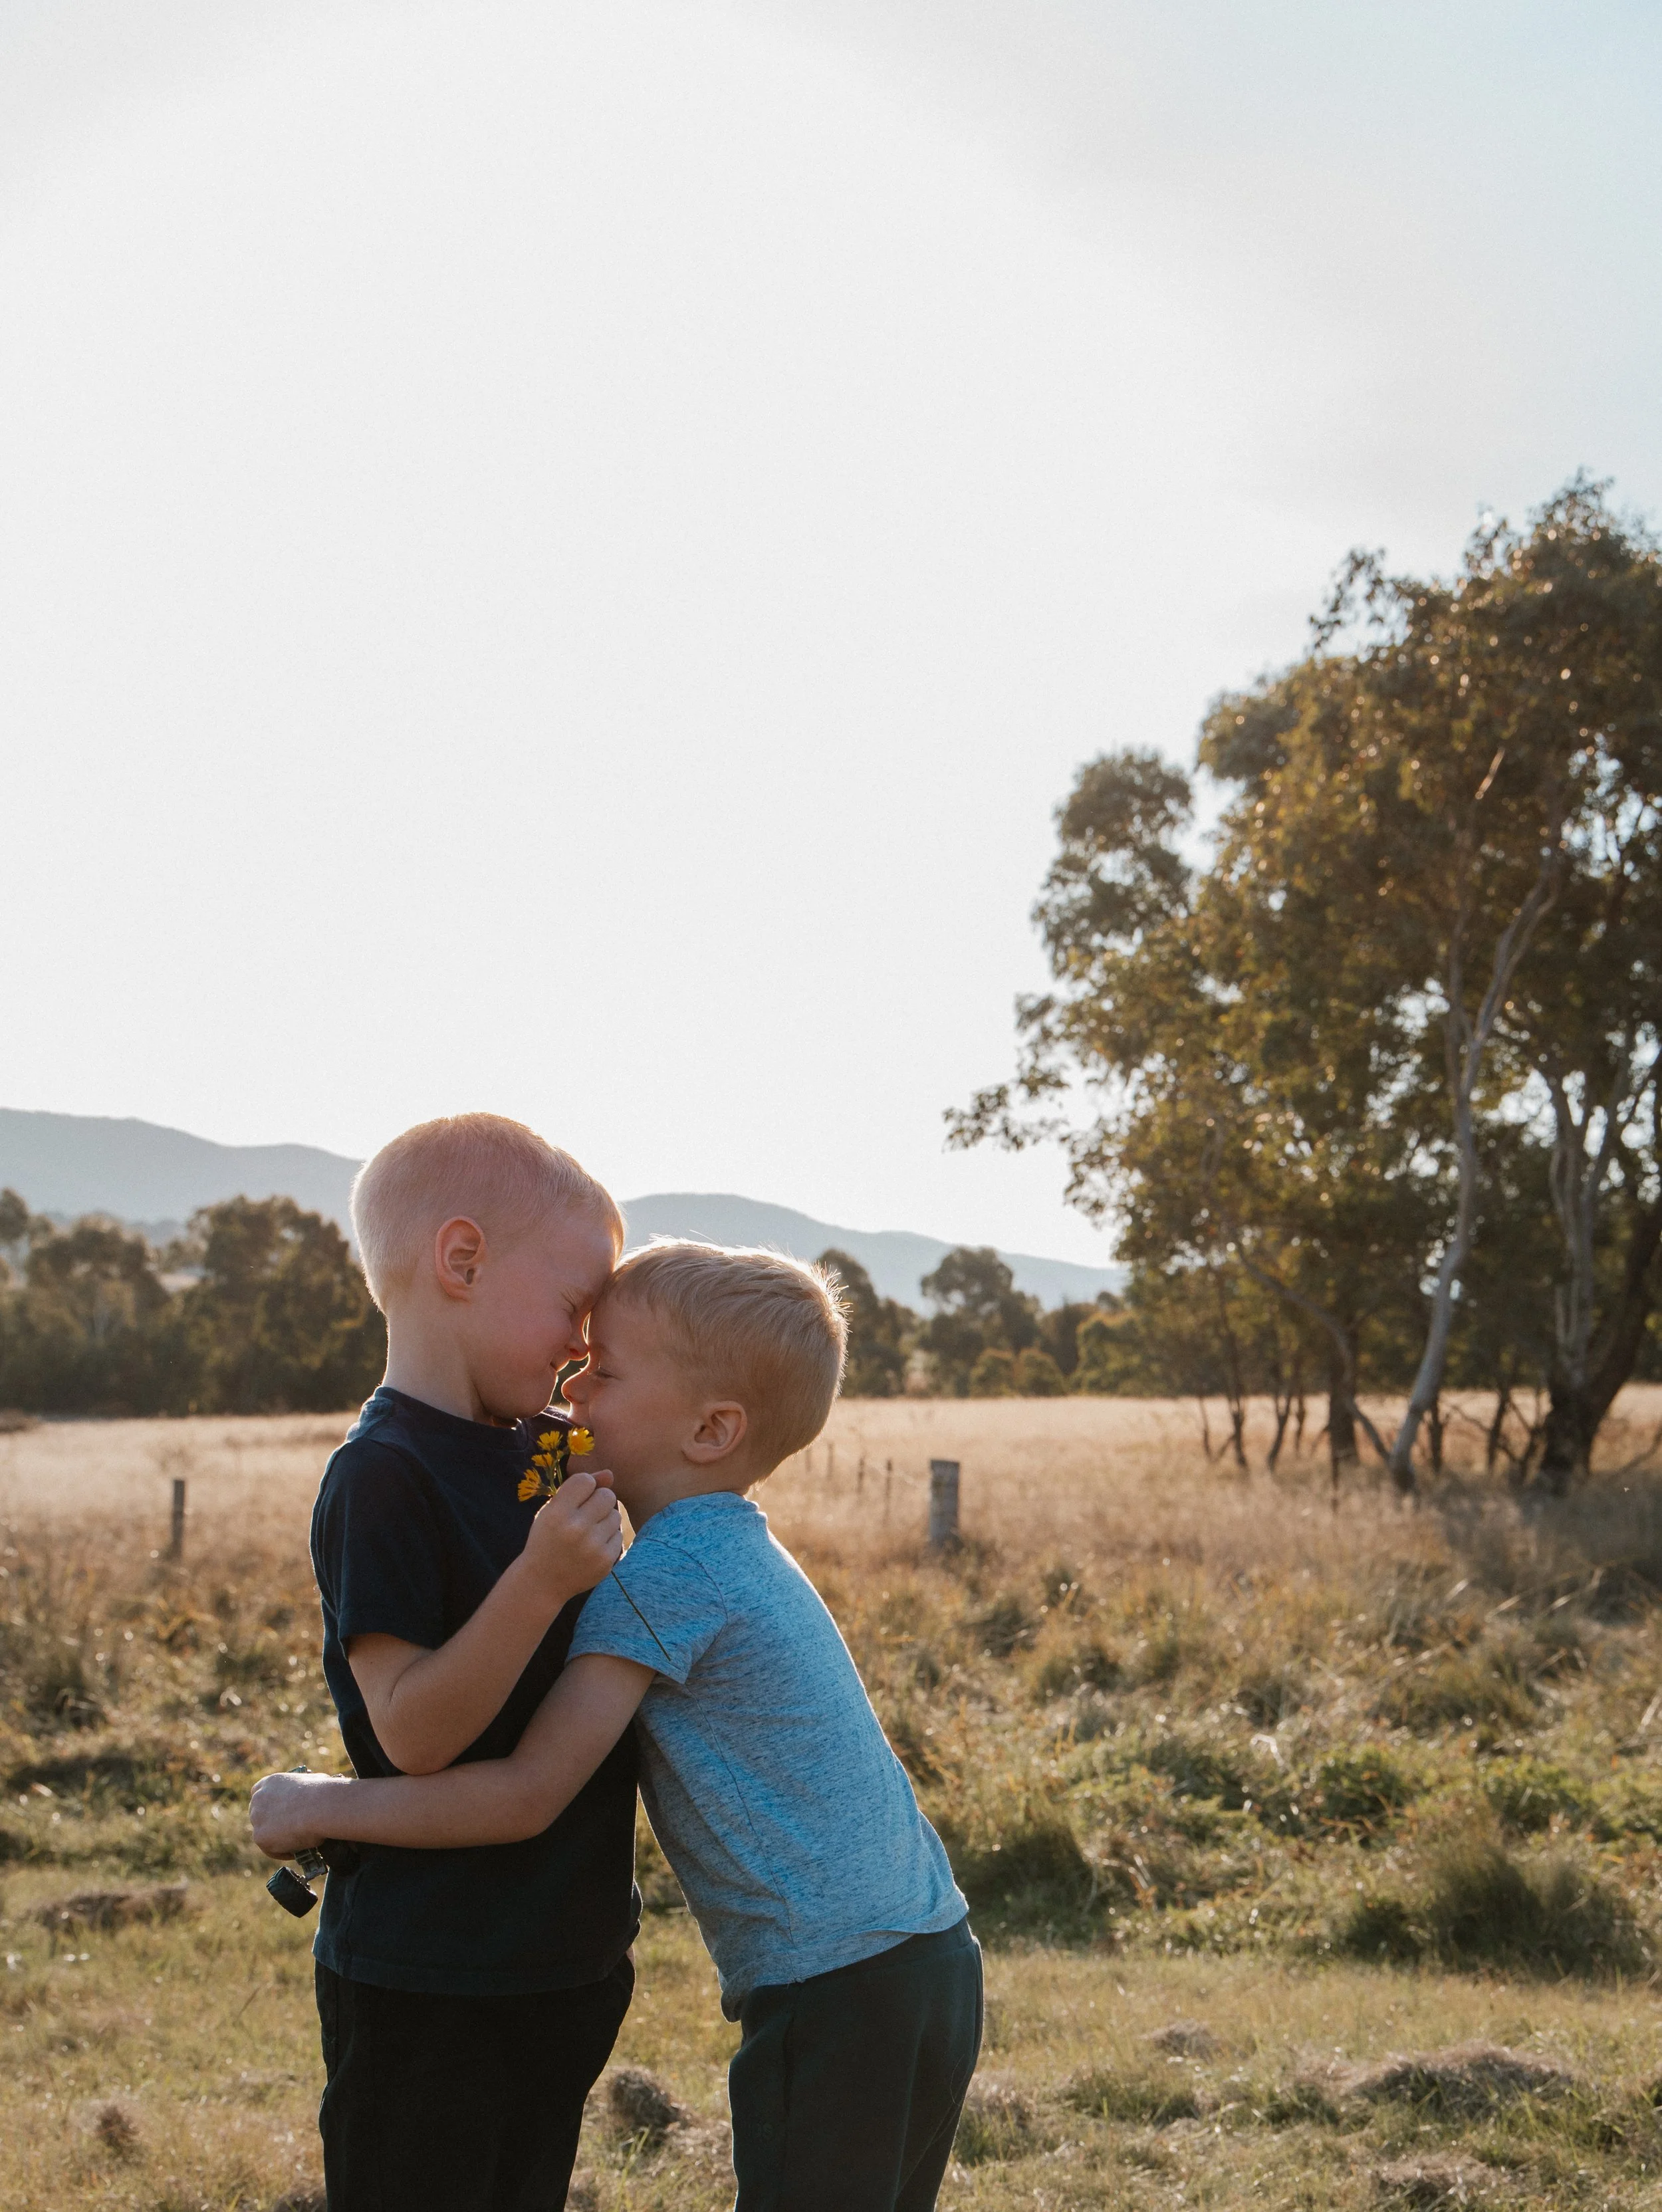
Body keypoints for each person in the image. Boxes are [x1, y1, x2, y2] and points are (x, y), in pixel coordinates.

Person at [255, 1239, 982, 2212]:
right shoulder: (731, 1541)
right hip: (930, 1959)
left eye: (605, 1369)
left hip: (838, 1994)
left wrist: (320, 1804)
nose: (574, 1388)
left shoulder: (663, 1581)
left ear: (711, 1427)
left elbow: (527, 1792)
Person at [301, 1113, 638, 2212]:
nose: (581, 1348)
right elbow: (411, 1729)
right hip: (430, 1973)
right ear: (461, 1260)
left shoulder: (534, 1446)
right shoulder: (382, 1473)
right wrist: (541, 1577)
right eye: (575, 1306)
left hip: (563, 1958)